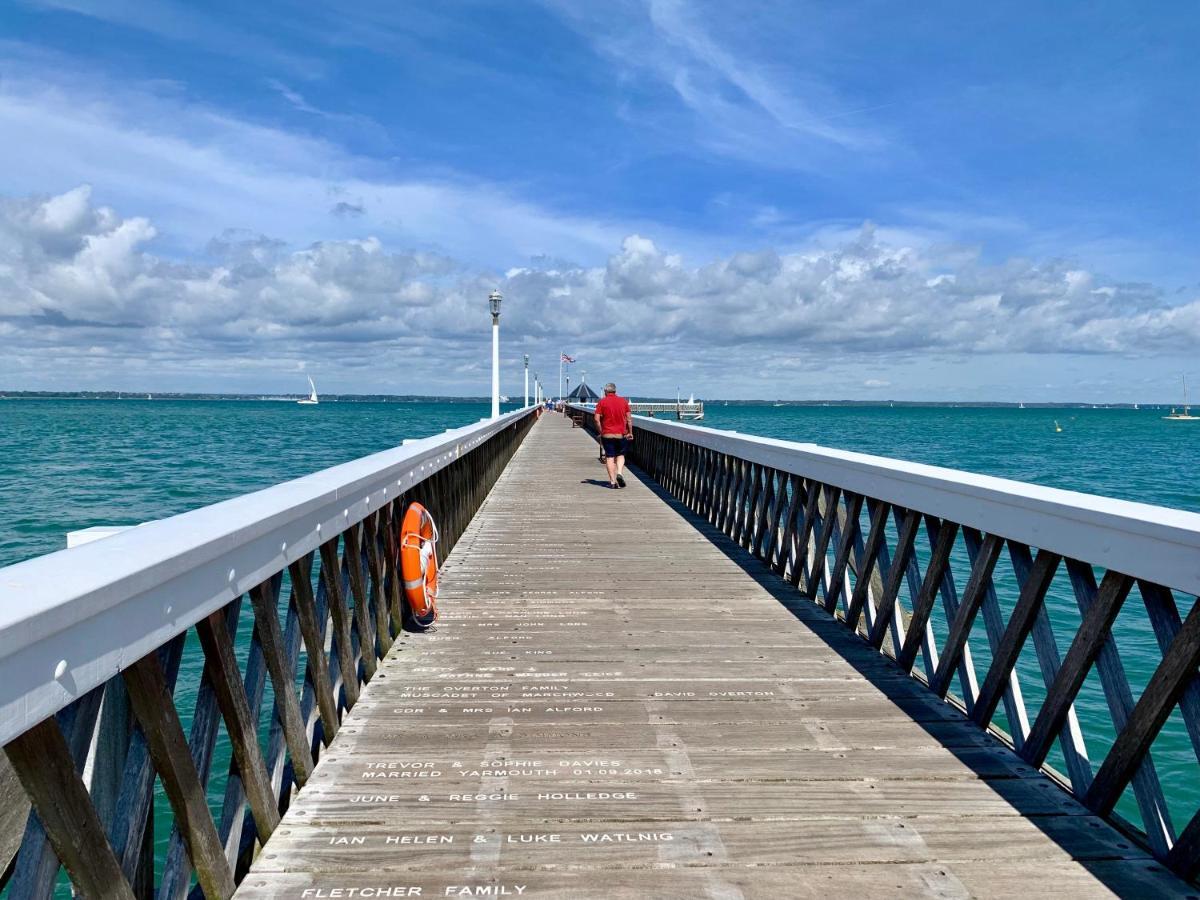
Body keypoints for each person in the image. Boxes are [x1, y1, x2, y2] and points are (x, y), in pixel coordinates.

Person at [593, 382, 632, 489]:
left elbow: (596, 419)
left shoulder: (602, 402)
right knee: (620, 455)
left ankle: (613, 482)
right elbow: (629, 419)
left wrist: (601, 432)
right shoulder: (623, 401)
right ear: (615, 391)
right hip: (620, 434)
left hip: (607, 434)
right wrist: (630, 432)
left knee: (609, 457)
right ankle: (619, 472)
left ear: (606, 391)